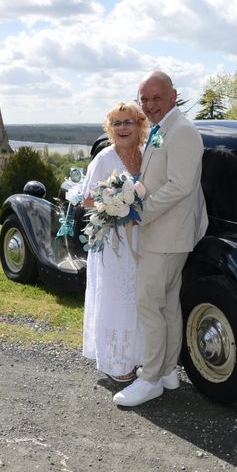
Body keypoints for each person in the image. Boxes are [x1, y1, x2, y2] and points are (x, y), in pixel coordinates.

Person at [113, 71, 208, 407]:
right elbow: (155, 179)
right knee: (167, 305)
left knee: (148, 305)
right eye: (145, 99)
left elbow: (180, 185)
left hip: (167, 233)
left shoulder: (181, 131)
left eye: (156, 98)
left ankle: (149, 378)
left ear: (173, 96)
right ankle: (168, 371)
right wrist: (128, 195)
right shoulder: (161, 129)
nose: (150, 105)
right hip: (166, 233)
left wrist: (140, 211)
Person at [81, 102, 149, 383]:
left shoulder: (147, 155)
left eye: (128, 122)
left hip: (143, 239)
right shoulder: (105, 159)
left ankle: (141, 357)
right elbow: (87, 198)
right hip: (113, 242)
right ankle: (116, 360)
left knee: (139, 298)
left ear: (140, 126)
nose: (122, 128)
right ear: (110, 129)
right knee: (116, 297)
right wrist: (113, 203)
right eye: (117, 124)